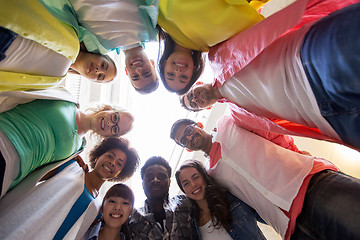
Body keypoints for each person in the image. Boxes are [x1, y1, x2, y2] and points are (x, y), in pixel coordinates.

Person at [180, 2, 360, 150]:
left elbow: (235, 12)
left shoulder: (217, 55)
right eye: (194, 106)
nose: (195, 100)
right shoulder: (240, 119)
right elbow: (272, 140)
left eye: (191, 95)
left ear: (198, 82)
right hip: (329, 120)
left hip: (310, 61)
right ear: (206, 109)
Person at [170, 116, 360, 239]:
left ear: (199, 125)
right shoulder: (213, 176)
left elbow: (271, 131)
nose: (189, 137)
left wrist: (296, 156)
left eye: (188, 131)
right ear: (187, 148)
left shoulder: (227, 122)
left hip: (308, 184)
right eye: (183, 140)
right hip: (288, 226)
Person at [0, 137, 140, 240]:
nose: (112, 162)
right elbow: (26, 178)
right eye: (110, 156)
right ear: (98, 156)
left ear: (119, 173)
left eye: (119, 163)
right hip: (18, 226)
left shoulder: (98, 209)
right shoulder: (69, 167)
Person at [0, 92, 134, 197]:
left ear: (109, 136)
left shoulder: (78, 148)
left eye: (115, 129)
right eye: (115, 117)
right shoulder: (67, 100)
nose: (110, 123)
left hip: (12, 172)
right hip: (4, 134)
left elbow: (43, 172)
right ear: (110, 109)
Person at [38, 0, 160, 94]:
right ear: (152, 63)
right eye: (147, 72)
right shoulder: (151, 27)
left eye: (135, 76)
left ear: (126, 72)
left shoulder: (94, 48)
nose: (139, 70)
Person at [156, 0, 265, 95]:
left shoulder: (160, 20)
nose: (178, 71)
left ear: (164, 64)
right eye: (184, 77)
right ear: (193, 70)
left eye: (170, 74)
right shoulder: (214, 46)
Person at [175, 159, 266, 240]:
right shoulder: (192, 224)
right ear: (184, 190)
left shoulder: (232, 200)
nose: (193, 185)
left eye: (196, 177)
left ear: (204, 177)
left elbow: (265, 216)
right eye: (186, 184)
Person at [129, 156, 193, 239]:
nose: (155, 180)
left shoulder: (185, 203)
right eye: (149, 177)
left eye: (161, 176)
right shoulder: (133, 219)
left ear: (169, 182)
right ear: (142, 184)